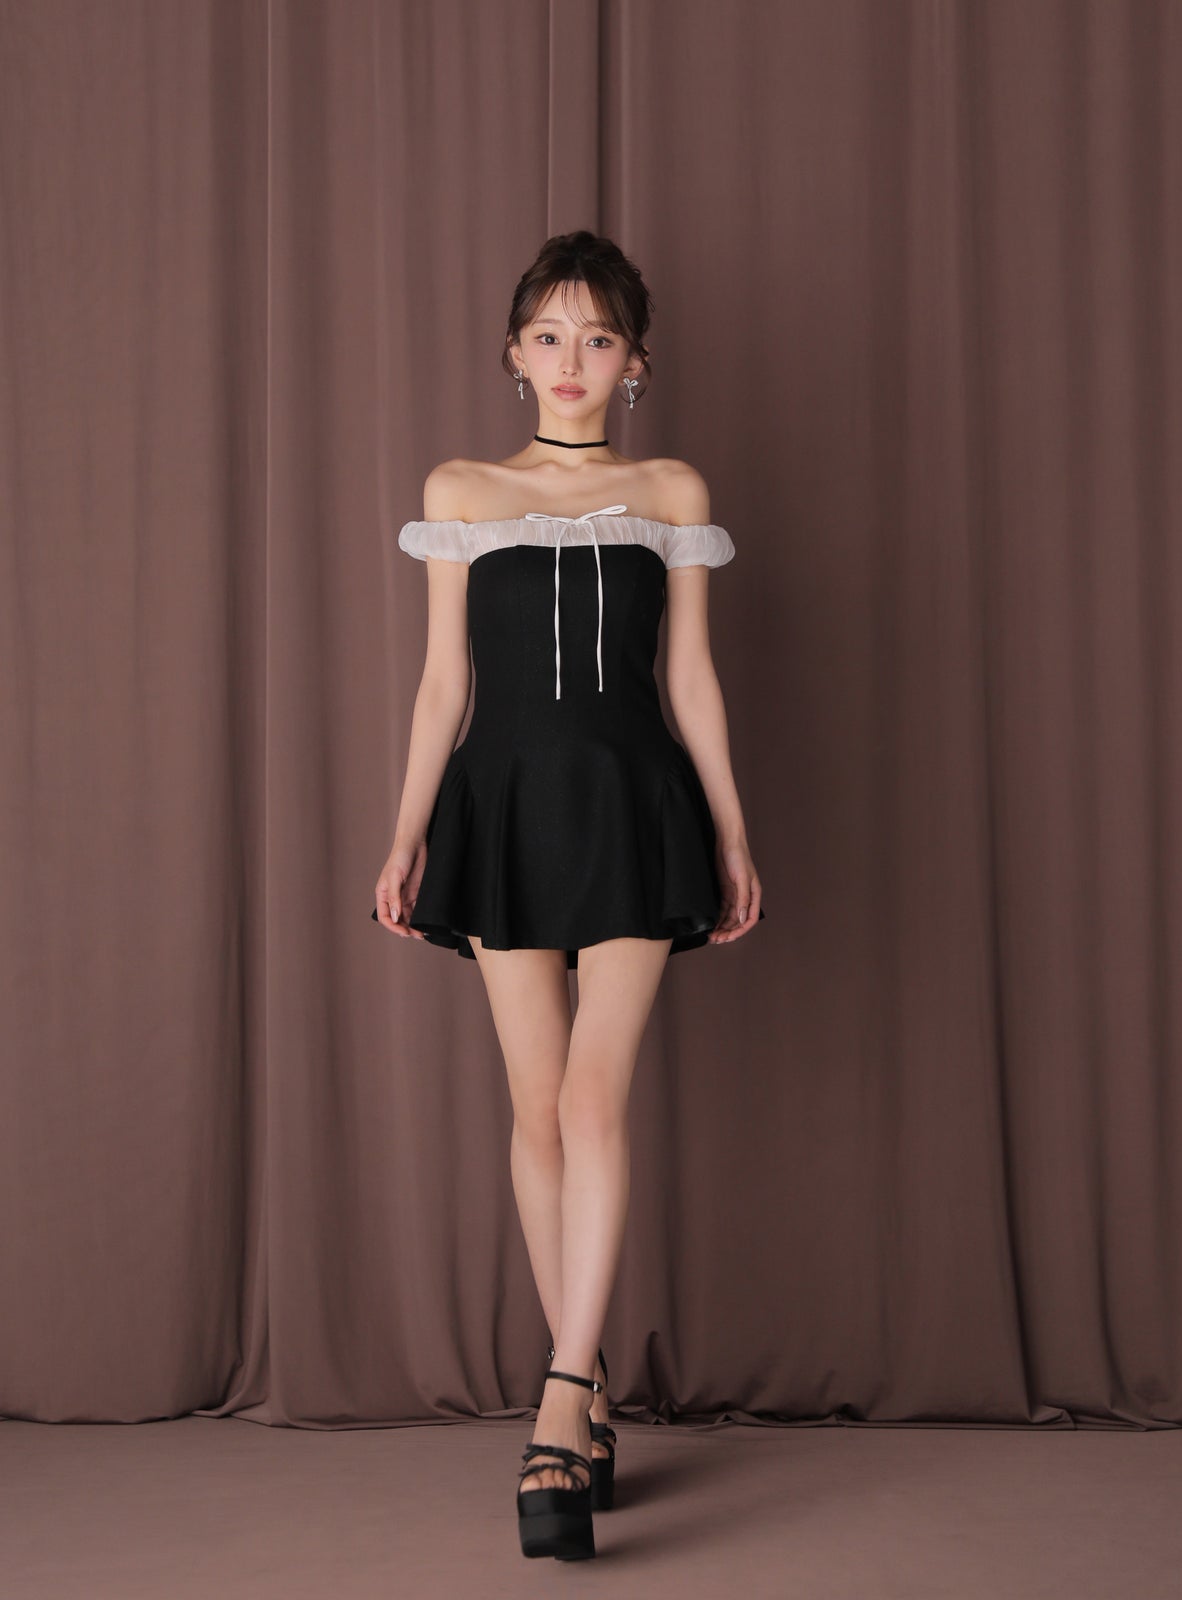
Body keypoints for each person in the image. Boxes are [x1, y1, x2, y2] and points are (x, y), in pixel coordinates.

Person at [371, 230, 765, 1560]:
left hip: (633, 808)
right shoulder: (462, 488)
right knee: (534, 1105)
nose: (572, 359)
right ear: (513, 352)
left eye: (598, 337)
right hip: (500, 809)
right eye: (549, 334)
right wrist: (406, 833)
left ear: (633, 359)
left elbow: (690, 679)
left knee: (593, 1099)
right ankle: (586, 1393)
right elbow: (444, 683)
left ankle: (559, 1402)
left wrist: (731, 830)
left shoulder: (670, 488)